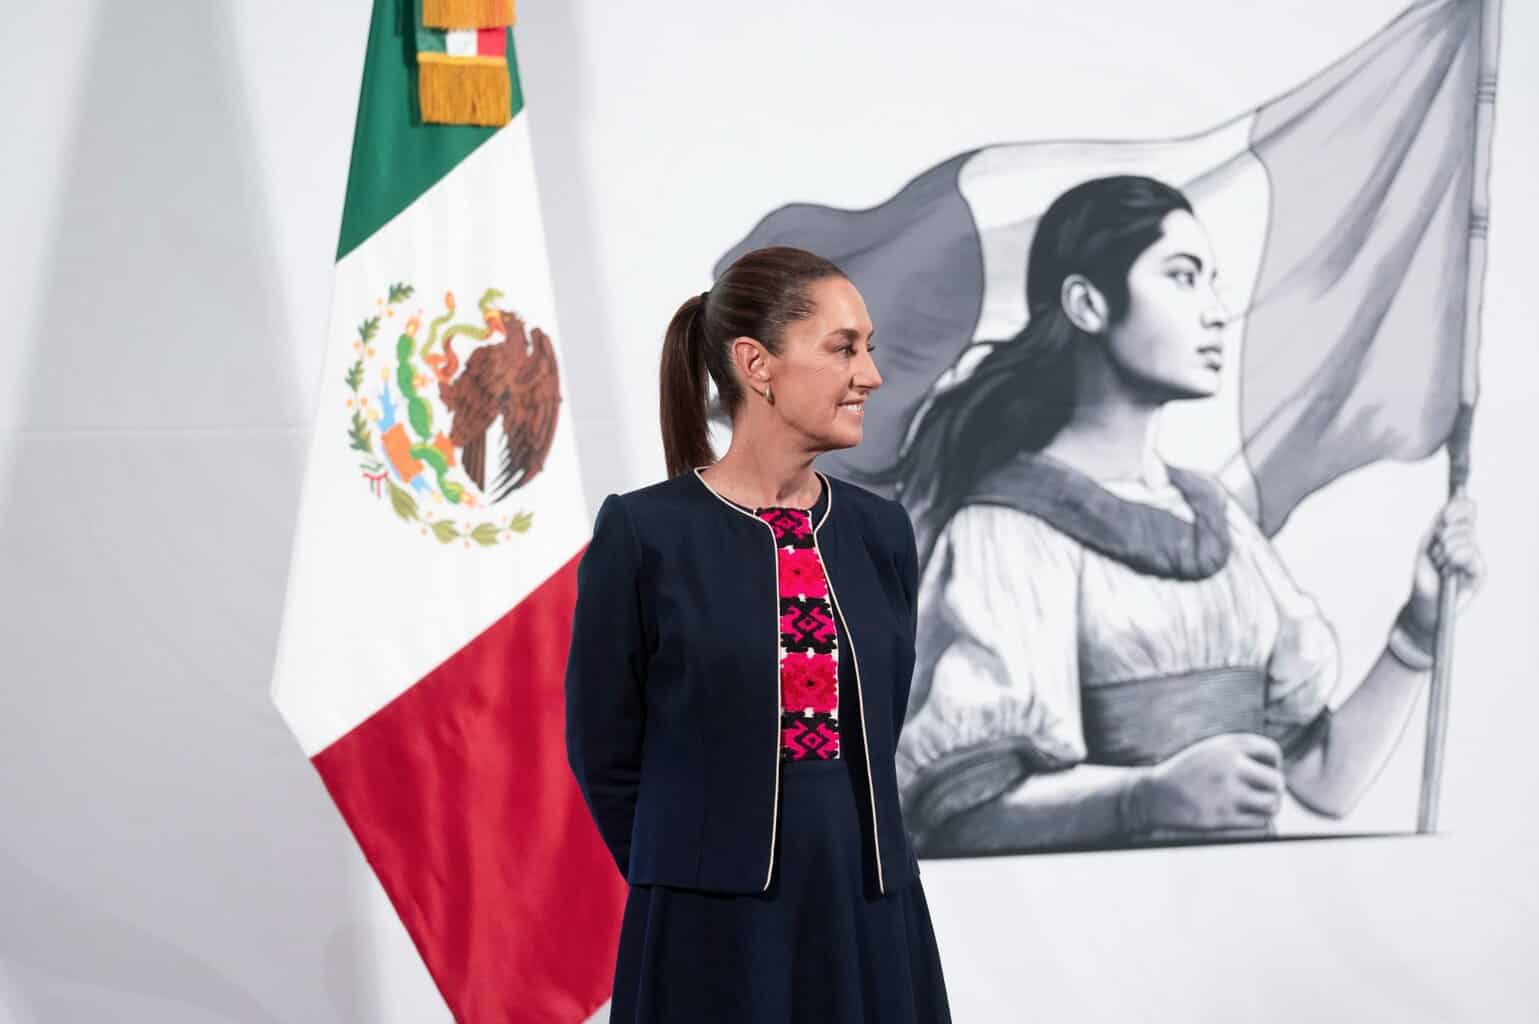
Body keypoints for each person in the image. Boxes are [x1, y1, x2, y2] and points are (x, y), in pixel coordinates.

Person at [877, 176, 1484, 855]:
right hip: (1091, 912)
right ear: (1086, 304)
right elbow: (959, 813)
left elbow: (1324, 781)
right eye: (1183, 277)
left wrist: (1417, 629)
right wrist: (1144, 797)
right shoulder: (1007, 530)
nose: (1216, 312)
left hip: (1239, 907)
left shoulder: (1216, 519)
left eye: (1211, 282)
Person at [564, 245, 952, 1022]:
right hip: (709, 922)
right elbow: (604, 751)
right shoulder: (645, 534)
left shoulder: (879, 532)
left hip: (868, 901)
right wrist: (692, 863)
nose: (870, 375)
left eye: (867, 348)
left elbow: (880, 722)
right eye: (843, 348)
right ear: (755, 363)